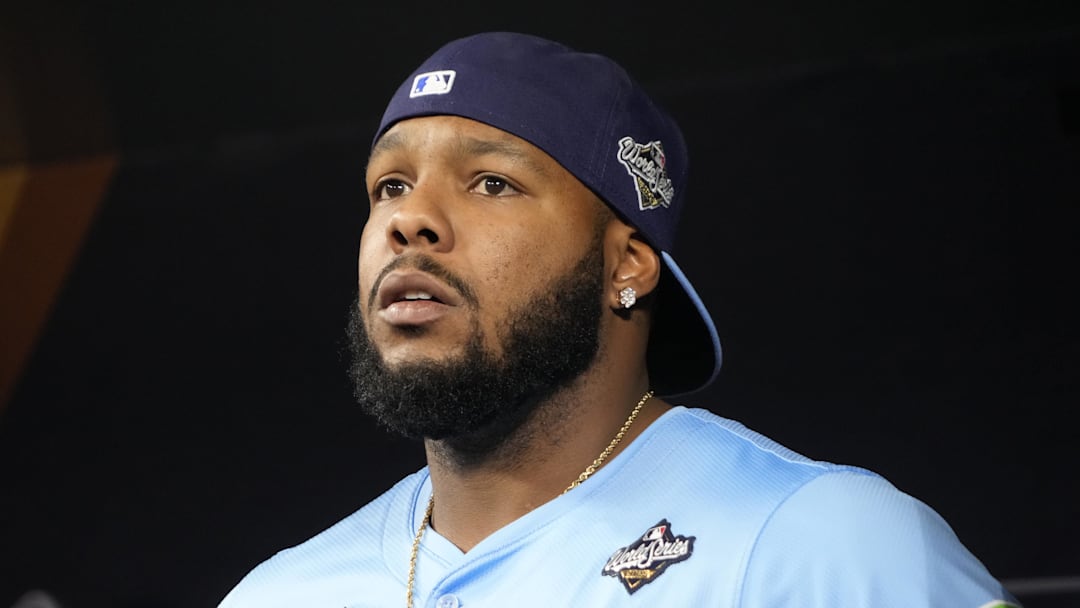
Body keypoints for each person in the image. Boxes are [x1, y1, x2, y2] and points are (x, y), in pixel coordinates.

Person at [218, 31, 1021, 607]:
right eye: (389, 186)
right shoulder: (281, 592)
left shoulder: (820, 543)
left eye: (491, 182)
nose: (409, 220)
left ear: (628, 265)